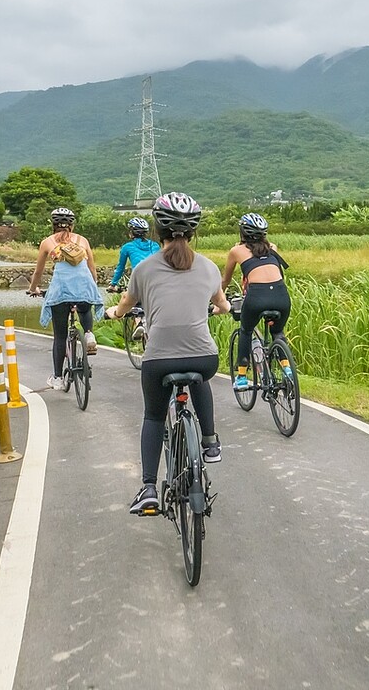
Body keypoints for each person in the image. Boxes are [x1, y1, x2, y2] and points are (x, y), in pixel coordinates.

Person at [106, 192, 231, 514]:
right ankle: (210, 442)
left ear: (157, 230)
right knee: (199, 374)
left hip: (159, 359)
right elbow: (222, 304)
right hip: (204, 357)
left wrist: (115, 314)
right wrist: (221, 308)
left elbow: (125, 305)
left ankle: (148, 487)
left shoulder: (144, 269)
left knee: (153, 415)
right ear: (193, 232)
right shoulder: (208, 267)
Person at [28, 207, 104, 390]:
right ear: (72, 224)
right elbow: (92, 269)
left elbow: (38, 271)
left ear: (53, 224)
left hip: (61, 291)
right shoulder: (82, 240)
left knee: (60, 337)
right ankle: (88, 333)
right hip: (84, 288)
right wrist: (92, 286)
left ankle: (57, 378)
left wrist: (33, 288)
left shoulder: (47, 242)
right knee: (85, 308)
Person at [221, 212, 292, 390]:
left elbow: (225, 280)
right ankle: (288, 370)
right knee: (278, 333)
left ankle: (243, 377)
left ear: (242, 232)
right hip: (281, 296)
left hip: (256, 297)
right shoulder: (273, 247)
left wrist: (219, 299)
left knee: (246, 330)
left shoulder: (236, 251)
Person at [107, 216, 160, 290]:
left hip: (139, 282)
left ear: (132, 232)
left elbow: (120, 268)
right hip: (156, 282)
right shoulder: (155, 245)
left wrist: (113, 284)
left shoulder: (127, 247)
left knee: (128, 300)